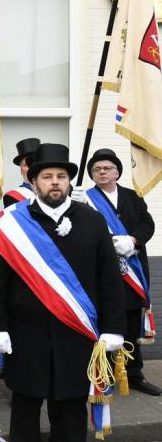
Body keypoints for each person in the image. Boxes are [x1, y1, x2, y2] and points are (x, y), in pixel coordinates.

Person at [0, 143, 126, 442]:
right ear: (34, 182)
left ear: (68, 181)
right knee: (25, 416)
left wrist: (113, 328)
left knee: (70, 417)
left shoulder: (92, 221)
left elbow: (109, 280)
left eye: (61, 176)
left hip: (75, 338)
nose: (55, 182)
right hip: (25, 337)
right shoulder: (13, 223)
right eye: (47, 176)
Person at [81, 148, 160, 396]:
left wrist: (134, 240)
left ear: (117, 172)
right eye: (96, 169)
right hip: (102, 272)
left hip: (132, 270)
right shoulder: (85, 199)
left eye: (107, 168)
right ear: (92, 175)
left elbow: (148, 223)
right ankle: (102, 374)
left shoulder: (133, 196)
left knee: (131, 323)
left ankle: (133, 373)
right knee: (104, 321)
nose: (102, 172)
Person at [2, 137, 40, 208]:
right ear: (21, 170)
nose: (31, 168)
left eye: (34, 163)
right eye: (26, 165)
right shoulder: (12, 197)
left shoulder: (57, 192)